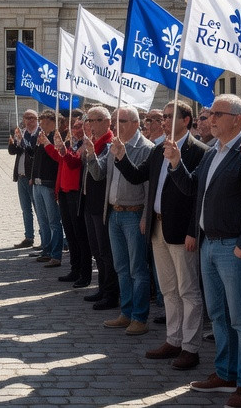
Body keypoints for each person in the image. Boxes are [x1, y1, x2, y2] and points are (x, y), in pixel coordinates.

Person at [185, 94, 241, 408]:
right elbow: (194, 190)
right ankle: (226, 373)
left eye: (217, 114)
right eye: (209, 114)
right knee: (219, 316)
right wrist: (173, 164)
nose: (209, 119)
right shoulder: (212, 152)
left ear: (237, 118)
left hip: (234, 248)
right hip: (210, 243)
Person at [137, 100, 208, 371]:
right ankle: (173, 339)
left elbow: (195, 196)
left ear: (186, 120)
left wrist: (193, 230)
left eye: (169, 117)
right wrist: (119, 157)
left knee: (188, 290)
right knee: (168, 290)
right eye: (163, 116)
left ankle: (191, 347)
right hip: (157, 228)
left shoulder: (198, 151)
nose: (164, 121)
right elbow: (140, 178)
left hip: (182, 231)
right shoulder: (158, 151)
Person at [86, 106, 156, 337]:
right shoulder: (112, 145)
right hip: (114, 213)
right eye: (115, 121)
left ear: (136, 123)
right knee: (121, 268)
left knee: (138, 269)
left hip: (134, 214)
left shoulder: (146, 148)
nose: (117, 125)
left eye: (122, 120)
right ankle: (126, 312)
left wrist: (146, 216)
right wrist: (90, 155)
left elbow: (149, 188)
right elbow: (99, 175)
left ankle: (139, 317)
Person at [79, 108, 120, 311]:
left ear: (107, 122)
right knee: (97, 250)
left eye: (96, 120)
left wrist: (91, 153)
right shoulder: (95, 142)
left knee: (105, 252)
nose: (91, 124)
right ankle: (102, 288)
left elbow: (98, 174)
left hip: (102, 205)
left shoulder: (109, 144)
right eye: (89, 120)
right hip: (89, 203)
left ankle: (111, 293)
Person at [50, 109, 91, 287]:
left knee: (80, 235)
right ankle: (75, 269)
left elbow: (75, 162)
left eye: (80, 126)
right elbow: (63, 165)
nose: (76, 129)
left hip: (76, 192)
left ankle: (84, 272)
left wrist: (64, 151)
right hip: (65, 191)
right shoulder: (71, 142)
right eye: (74, 127)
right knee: (71, 234)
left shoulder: (85, 144)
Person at [28, 111, 63, 268]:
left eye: (44, 121)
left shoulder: (57, 137)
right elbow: (35, 158)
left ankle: (56, 253)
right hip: (37, 182)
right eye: (40, 121)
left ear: (53, 122)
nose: (41, 123)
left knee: (53, 221)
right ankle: (46, 249)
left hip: (49, 183)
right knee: (42, 220)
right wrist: (32, 176)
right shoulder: (41, 136)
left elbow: (57, 159)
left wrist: (48, 143)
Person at [8, 110, 39, 249]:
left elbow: (33, 152)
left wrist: (23, 142)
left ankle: (44, 236)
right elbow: (13, 151)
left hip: (32, 177)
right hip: (21, 176)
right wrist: (13, 143)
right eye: (27, 118)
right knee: (25, 209)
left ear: (37, 119)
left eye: (32, 118)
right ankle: (29, 237)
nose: (29, 120)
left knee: (39, 209)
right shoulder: (22, 132)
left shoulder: (38, 134)